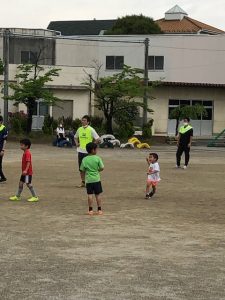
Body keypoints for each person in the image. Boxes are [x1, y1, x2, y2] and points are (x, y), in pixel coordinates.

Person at [74, 115, 100, 187]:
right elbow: (75, 137)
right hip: (80, 151)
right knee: (81, 168)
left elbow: (98, 139)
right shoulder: (79, 129)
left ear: (88, 122)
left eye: (84, 120)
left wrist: (92, 146)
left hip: (88, 152)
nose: (83, 121)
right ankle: (83, 182)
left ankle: (90, 182)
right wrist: (76, 143)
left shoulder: (91, 129)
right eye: (82, 120)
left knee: (88, 168)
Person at [80, 142, 104, 215]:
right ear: (93, 150)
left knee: (90, 195)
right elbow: (102, 167)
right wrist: (97, 171)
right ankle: (99, 210)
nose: (97, 150)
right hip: (96, 179)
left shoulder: (84, 159)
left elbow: (82, 169)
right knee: (98, 194)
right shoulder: (97, 158)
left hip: (89, 180)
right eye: (96, 149)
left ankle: (90, 210)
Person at [0, 115, 8, 183]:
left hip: (0, 149)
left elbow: (5, 140)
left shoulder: (4, 128)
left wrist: (3, 150)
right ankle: (2, 177)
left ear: (1, 122)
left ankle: (3, 177)